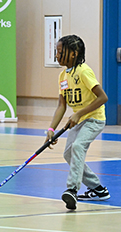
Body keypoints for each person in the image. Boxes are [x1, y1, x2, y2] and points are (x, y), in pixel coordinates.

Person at [45, 35, 109, 210]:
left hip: (94, 119)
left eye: (60, 52)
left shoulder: (83, 71)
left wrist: (79, 113)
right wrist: (51, 129)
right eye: (56, 52)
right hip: (79, 120)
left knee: (78, 147)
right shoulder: (63, 76)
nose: (57, 56)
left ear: (73, 53)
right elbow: (61, 105)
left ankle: (72, 189)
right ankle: (98, 189)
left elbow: (103, 97)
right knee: (68, 154)